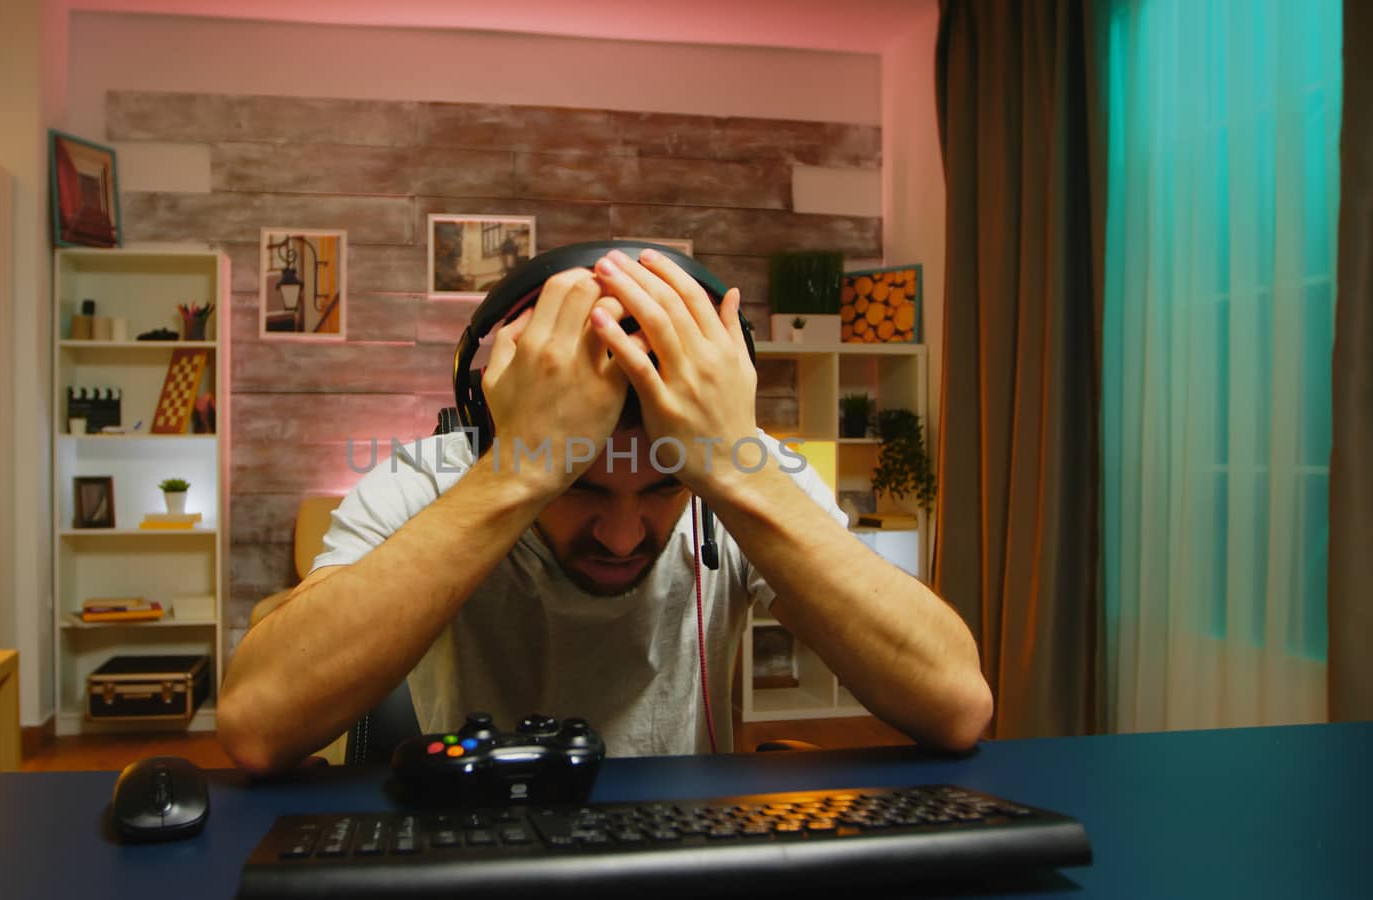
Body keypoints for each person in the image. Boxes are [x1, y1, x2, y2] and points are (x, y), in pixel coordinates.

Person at [218, 246, 992, 774]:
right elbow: (257, 724)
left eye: (662, 489)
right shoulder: (443, 477)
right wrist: (521, 472)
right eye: (580, 487)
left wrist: (730, 471)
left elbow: (956, 705)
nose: (622, 536)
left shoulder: (741, 470)